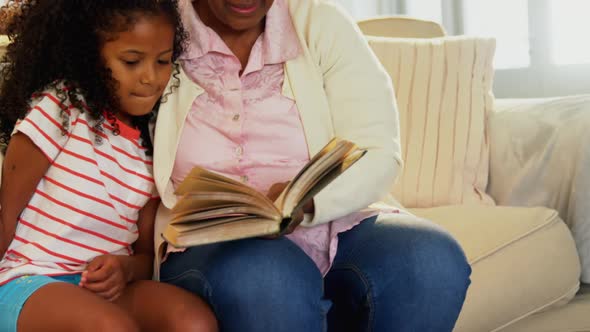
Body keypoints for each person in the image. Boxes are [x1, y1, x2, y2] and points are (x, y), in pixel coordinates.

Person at [154, 0, 472, 331]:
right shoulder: (157, 25)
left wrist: (307, 200)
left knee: (430, 259)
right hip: (201, 240)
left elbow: (377, 149)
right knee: (269, 276)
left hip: (330, 223)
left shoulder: (321, 23)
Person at [0, 1, 218, 331]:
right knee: (110, 327)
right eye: (131, 61)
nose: (150, 78)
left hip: (103, 292)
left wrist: (124, 269)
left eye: (163, 61)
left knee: (193, 321)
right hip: (30, 279)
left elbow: (145, 259)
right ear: (90, 56)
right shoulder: (61, 107)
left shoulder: (154, 144)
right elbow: (5, 215)